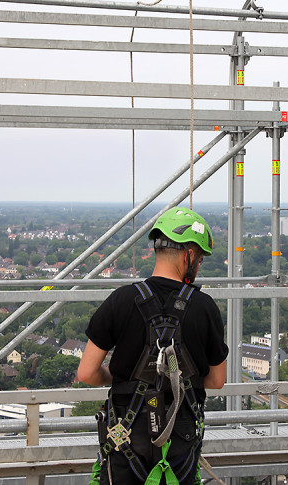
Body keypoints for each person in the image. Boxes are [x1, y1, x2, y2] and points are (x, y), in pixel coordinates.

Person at [77, 206, 229, 485]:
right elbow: (217, 380)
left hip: (125, 435)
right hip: (180, 436)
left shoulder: (120, 300)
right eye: (200, 259)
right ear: (189, 255)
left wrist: (118, 377)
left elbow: (86, 373)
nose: (199, 266)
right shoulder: (204, 307)